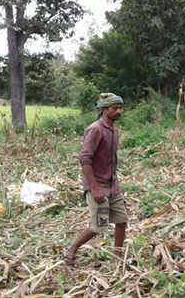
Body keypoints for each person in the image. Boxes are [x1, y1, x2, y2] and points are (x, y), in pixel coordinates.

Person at [63, 93, 128, 266]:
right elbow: (85, 159)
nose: (119, 111)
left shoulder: (113, 130)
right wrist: (95, 188)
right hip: (98, 185)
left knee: (122, 221)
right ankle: (71, 250)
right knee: (99, 225)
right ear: (104, 110)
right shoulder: (95, 129)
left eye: (120, 108)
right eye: (115, 108)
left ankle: (118, 257)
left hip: (113, 185)